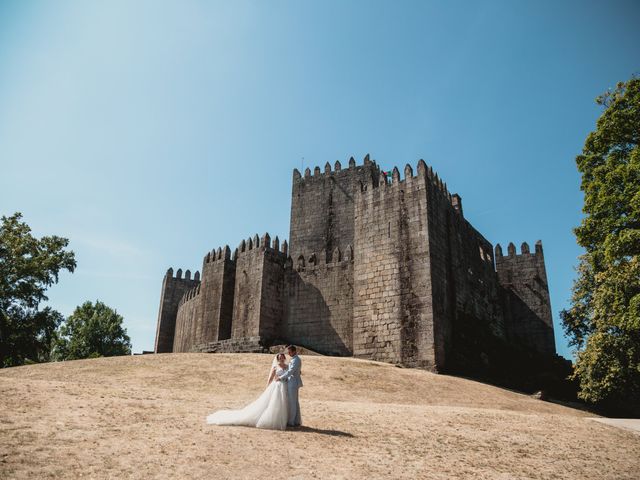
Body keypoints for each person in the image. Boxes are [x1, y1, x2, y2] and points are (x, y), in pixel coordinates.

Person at [206, 353, 289, 430]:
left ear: (284, 358)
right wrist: (267, 387)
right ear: (278, 359)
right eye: (280, 358)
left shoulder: (287, 366)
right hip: (276, 386)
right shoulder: (275, 367)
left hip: (284, 386)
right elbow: (271, 378)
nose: (281, 359)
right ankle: (274, 420)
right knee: (275, 403)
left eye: (282, 358)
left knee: (283, 403)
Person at [276, 345, 303, 427]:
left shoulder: (296, 360)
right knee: (294, 402)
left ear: (294, 351)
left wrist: (280, 377)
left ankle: (291, 421)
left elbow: (290, 372)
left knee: (292, 402)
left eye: (290, 352)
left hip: (293, 383)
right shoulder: (294, 359)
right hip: (292, 382)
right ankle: (296, 420)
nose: (288, 353)